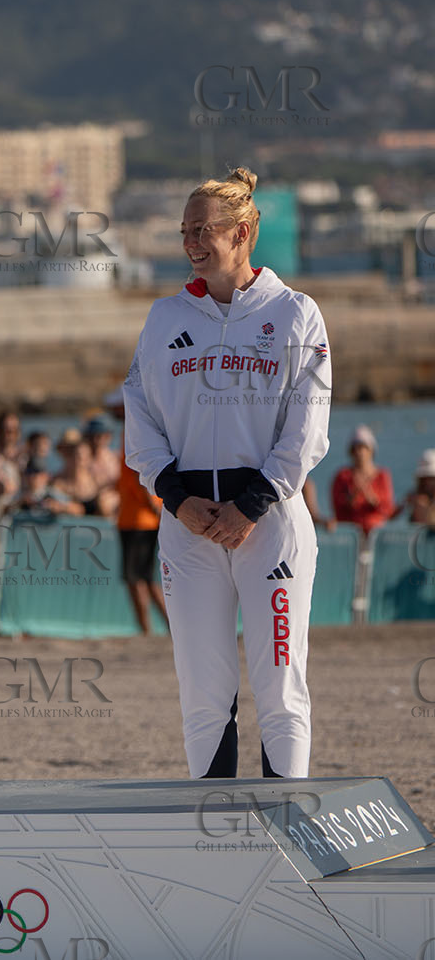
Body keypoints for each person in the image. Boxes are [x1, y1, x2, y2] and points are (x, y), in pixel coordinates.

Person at [123, 167, 330, 780]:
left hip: (268, 525)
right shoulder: (163, 320)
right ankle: (214, 844)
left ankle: (285, 846)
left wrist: (252, 504)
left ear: (241, 233)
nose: (189, 241)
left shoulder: (296, 314)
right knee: (203, 694)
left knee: (280, 688)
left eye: (201, 229)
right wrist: (177, 498)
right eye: (184, 229)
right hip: (188, 526)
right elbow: (139, 419)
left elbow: (308, 426)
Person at [115, 413, 169, 634]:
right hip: (144, 516)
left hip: (138, 518)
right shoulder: (148, 428)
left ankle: (147, 629)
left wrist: (155, 509)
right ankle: (168, 627)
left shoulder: (133, 431)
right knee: (146, 577)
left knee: (136, 577)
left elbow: (139, 476)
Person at [330, 425, 395, 537]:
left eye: (363, 448)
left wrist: (372, 499)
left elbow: (388, 509)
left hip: (376, 535)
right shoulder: (343, 476)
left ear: (371, 450)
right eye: (356, 448)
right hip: (351, 536)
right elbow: (338, 508)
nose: (360, 452)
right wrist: (351, 498)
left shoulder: (382, 476)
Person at [395, 449, 435, 527]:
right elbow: (392, 517)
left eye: (431, 478)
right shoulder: (413, 497)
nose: (427, 483)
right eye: (424, 479)